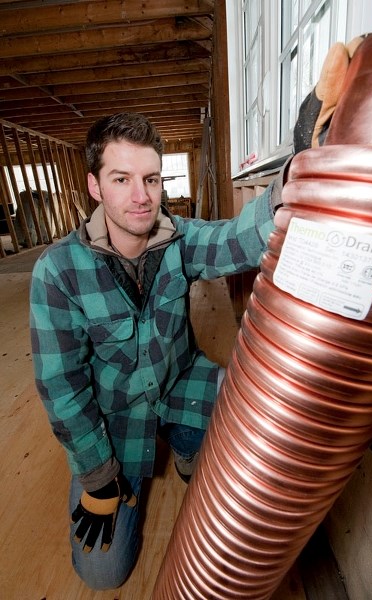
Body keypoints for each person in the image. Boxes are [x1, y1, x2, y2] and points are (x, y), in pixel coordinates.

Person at [29, 112, 279, 590]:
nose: (141, 196)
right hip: (114, 417)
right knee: (103, 574)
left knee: (246, 417)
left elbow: (238, 240)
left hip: (179, 382)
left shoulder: (178, 239)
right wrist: (99, 476)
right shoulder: (58, 272)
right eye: (121, 179)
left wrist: (294, 179)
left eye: (151, 178)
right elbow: (62, 387)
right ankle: (129, 470)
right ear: (95, 187)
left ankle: (190, 446)